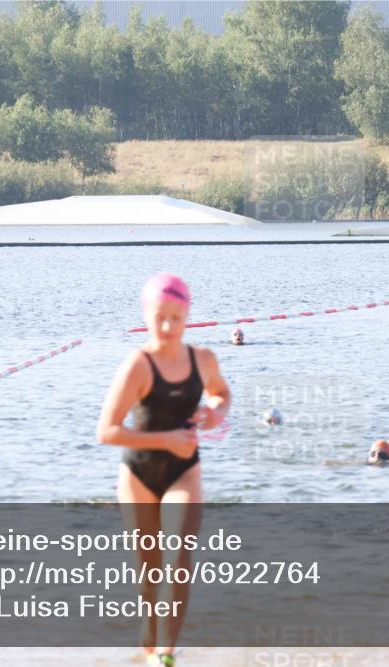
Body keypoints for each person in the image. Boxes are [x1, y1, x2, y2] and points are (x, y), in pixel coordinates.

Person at [96, 273, 231, 667]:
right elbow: (107, 431)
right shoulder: (138, 365)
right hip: (138, 474)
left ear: (188, 314)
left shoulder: (202, 359)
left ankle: (167, 652)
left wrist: (214, 413)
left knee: (179, 559)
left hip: (183, 471)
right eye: (160, 318)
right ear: (146, 314)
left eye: (177, 317)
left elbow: (222, 394)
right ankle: (150, 639)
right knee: (149, 569)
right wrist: (168, 438)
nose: (169, 327)